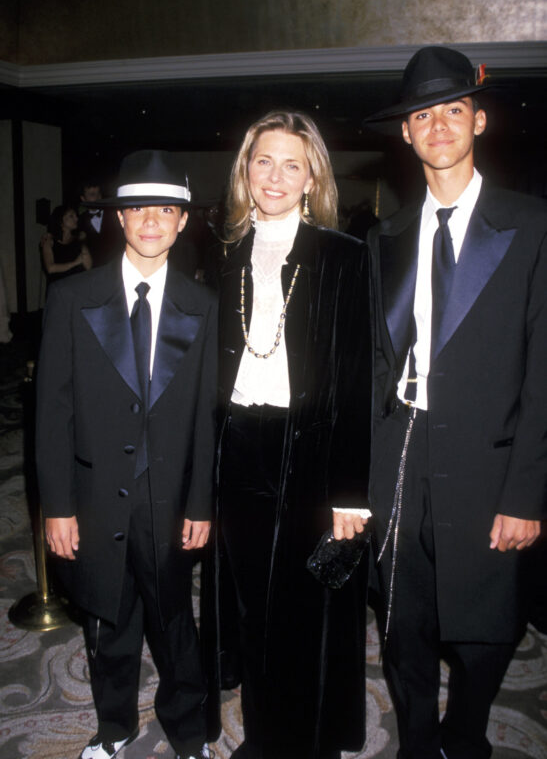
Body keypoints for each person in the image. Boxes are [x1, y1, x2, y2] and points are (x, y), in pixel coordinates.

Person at [365, 46, 547, 759]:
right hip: (397, 457)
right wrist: (356, 485)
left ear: (478, 120)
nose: (436, 125)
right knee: (401, 627)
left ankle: (465, 733)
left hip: (489, 467)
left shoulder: (531, 227)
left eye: (451, 110)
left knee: (482, 630)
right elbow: (366, 373)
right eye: (420, 115)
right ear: (404, 135)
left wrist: (526, 493)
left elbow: (542, 371)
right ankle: (414, 743)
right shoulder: (378, 240)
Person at [35, 150, 217, 759]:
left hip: (166, 500)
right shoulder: (72, 298)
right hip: (94, 495)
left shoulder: (202, 305)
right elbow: (52, 415)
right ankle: (113, 729)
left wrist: (200, 503)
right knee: (107, 626)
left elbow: (203, 420)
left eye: (165, 210)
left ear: (183, 221)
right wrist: (57, 508)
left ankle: (188, 734)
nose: (151, 221)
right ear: (118, 217)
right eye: (138, 208)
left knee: (174, 626)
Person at [212, 111, 372, 759]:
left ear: (311, 180)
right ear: (244, 173)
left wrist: (350, 492)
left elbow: (357, 379)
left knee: (306, 610)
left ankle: (308, 740)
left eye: (291, 164)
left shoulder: (341, 256)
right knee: (250, 602)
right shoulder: (218, 253)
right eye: (262, 161)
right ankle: (261, 732)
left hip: (309, 447)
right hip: (236, 443)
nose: (274, 176)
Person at [41, 204, 92, 288]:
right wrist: (75, 263)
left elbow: (88, 267)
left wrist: (83, 244)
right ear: (61, 221)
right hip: (57, 290)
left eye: (76, 216)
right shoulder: (49, 242)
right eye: (71, 216)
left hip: (76, 289)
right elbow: (50, 268)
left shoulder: (78, 241)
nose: (76, 219)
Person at [78, 179, 125, 266]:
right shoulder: (79, 221)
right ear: (83, 198)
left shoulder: (115, 214)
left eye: (99, 193)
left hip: (116, 265)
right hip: (93, 271)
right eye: (92, 194)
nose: (98, 197)